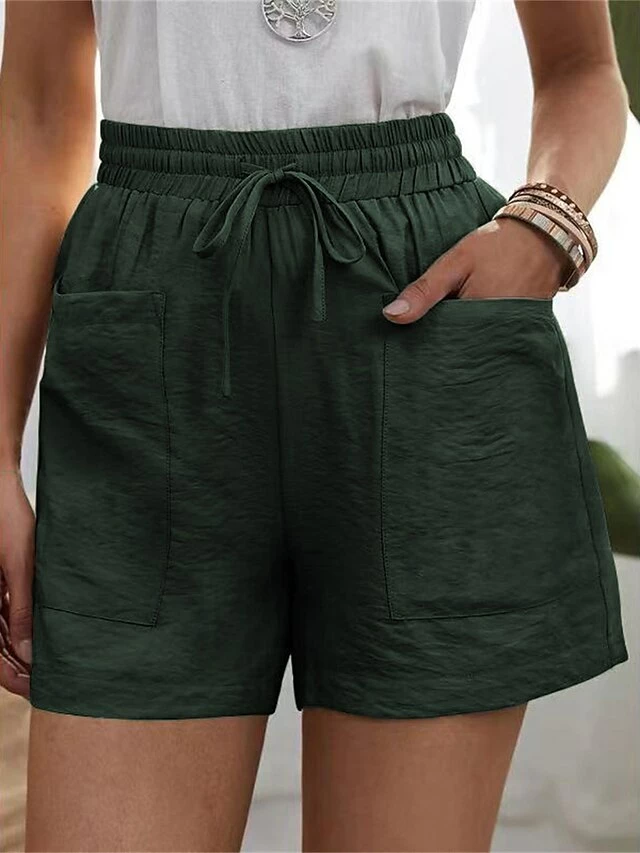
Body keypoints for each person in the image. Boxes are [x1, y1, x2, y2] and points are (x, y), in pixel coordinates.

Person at [0, 1, 630, 850]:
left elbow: (581, 69)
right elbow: (38, 107)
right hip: (152, 336)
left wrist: (544, 230)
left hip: (418, 318)